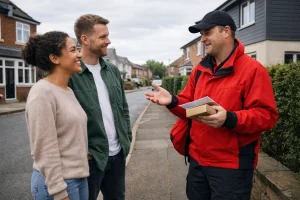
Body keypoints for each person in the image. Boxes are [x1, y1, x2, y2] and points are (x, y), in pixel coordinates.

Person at [145, 10, 278, 200]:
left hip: (231, 168)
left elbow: (267, 116)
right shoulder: (200, 70)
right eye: (201, 35)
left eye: (207, 33)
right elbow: (189, 108)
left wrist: (230, 118)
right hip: (197, 162)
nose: (202, 39)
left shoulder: (253, 70)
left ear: (226, 31)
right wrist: (173, 101)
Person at [69, 14, 132, 200]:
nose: (108, 41)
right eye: (103, 37)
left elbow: (124, 109)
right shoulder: (71, 74)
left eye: (108, 36)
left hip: (117, 155)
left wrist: (126, 140)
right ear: (85, 39)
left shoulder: (112, 70)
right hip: (90, 159)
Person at [23, 31, 89, 200]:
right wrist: (59, 192)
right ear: (55, 58)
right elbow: (45, 149)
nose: (79, 55)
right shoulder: (42, 93)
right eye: (73, 50)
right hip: (57, 185)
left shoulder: (68, 90)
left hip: (79, 179)